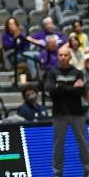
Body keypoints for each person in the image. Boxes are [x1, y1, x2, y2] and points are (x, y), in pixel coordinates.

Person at [46, 46, 88, 177]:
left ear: (70, 57)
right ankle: (57, 174)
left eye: (65, 55)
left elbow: (81, 91)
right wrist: (71, 88)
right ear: (57, 57)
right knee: (58, 146)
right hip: (59, 114)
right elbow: (51, 91)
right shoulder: (52, 73)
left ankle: (87, 171)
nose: (63, 57)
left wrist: (61, 88)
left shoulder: (78, 72)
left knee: (83, 144)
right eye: (60, 55)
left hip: (77, 114)